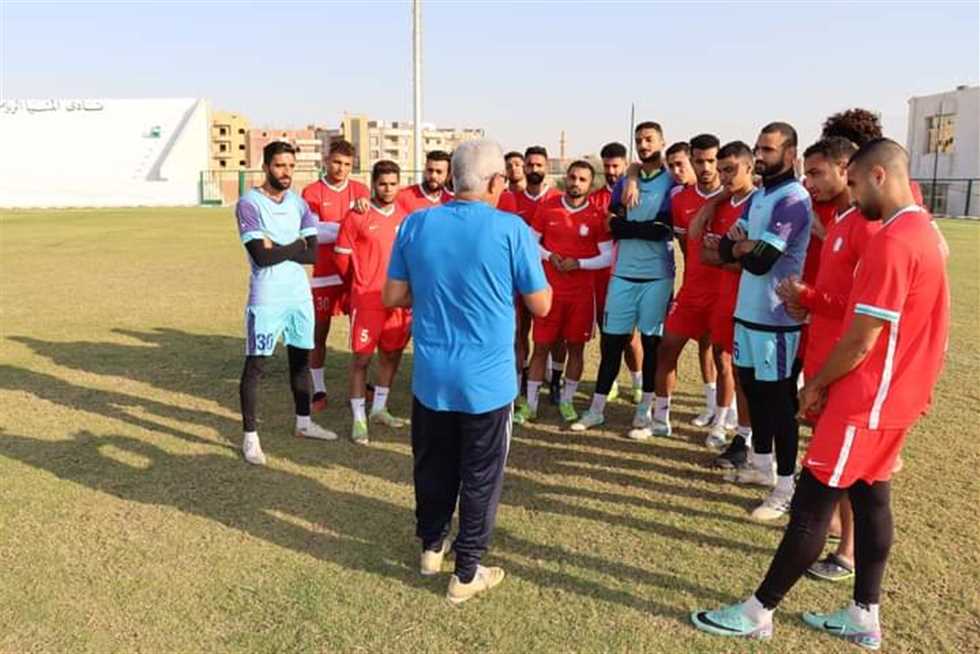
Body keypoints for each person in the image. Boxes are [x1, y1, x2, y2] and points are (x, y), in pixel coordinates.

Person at [692, 138, 950, 651]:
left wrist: (816, 385)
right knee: (873, 500)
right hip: (891, 401)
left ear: (878, 176)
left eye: (852, 183)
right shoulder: (920, 230)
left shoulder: (895, 241)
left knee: (811, 506)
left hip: (866, 401)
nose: (847, 196)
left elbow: (861, 339)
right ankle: (863, 616)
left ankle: (757, 611)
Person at [383, 139, 551, 604]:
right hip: (488, 381)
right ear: (496, 181)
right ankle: (468, 570)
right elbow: (540, 303)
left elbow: (393, 297)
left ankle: (431, 547)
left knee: (433, 465)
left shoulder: (416, 223)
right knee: (481, 475)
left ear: (453, 178)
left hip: (432, 375)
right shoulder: (510, 229)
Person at [775, 136, 879, 583]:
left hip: (847, 361)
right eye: (807, 173)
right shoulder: (834, 218)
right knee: (824, 449)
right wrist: (807, 302)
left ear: (845, 169)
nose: (808, 181)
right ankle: (835, 529)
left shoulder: (869, 225)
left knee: (852, 467)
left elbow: (863, 307)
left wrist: (810, 297)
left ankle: (848, 551)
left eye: (817, 173)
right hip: (820, 346)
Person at [718, 122, 812, 521]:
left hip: (776, 319)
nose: (759, 156)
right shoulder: (760, 196)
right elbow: (727, 250)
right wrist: (741, 246)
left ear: (790, 155)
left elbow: (759, 260)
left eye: (768, 150)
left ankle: (786, 486)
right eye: (758, 148)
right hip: (747, 314)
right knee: (752, 391)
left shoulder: (793, 199)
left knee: (778, 403)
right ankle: (760, 466)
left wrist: (741, 246)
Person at [571, 121, 677, 434]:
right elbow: (611, 224)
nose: (643, 145)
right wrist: (637, 225)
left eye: (649, 140)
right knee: (611, 343)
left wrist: (629, 227)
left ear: (661, 141)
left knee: (651, 345)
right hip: (622, 275)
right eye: (639, 140)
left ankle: (644, 411)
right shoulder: (625, 182)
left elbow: (663, 230)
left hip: (657, 277)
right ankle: (596, 410)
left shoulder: (671, 182)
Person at [236, 142, 338, 465]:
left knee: (300, 362)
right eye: (280, 166)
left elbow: (312, 254)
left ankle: (304, 423)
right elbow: (261, 257)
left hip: (299, 297)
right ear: (266, 166)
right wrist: (296, 243)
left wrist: (283, 243)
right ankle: (250, 437)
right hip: (267, 299)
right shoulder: (248, 204)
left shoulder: (298, 203)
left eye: (291, 166)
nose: (286, 173)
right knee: (257, 366)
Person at [517, 160, 612, 425]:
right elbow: (530, 243)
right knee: (541, 348)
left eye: (582, 179)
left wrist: (579, 263)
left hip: (581, 296)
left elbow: (607, 256)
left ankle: (567, 401)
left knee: (576, 349)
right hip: (549, 293)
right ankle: (531, 405)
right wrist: (550, 256)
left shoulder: (596, 214)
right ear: (565, 179)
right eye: (572, 177)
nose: (575, 183)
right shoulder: (548, 207)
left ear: (590, 184)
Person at [650, 134, 729, 441]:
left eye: (712, 160)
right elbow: (686, 246)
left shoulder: (738, 197)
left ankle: (720, 422)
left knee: (722, 359)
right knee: (667, 349)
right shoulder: (680, 199)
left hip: (725, 294)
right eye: (700, 161)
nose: (706, 167)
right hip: (692, 291)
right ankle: (659, 418)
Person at [334, 161, 411, 444]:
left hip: (398, 300)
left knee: (391, 354)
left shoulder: (406, 218)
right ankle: (358, 419)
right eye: (382, 184)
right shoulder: (357, 215)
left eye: (393, 183)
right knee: (361, 359)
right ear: (373, 184)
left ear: (399, 184)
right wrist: (357, 285)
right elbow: (342, 259)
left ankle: (379, 408)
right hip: (367, 300)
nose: (388, 189)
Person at [693, 141, 757, 466]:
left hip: (754, 300)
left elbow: (758, 261)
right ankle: (731, 426)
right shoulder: (722, 203)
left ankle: (745, 437)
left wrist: (724, 255)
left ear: (750, 167)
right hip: (725, 293)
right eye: (721, 170)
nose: (724, 176)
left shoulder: (760, 203)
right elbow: (702, 250)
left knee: (748, 372)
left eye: (730, 169)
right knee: (723, 358)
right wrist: (713, 202)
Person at [301, 140, 370, 412]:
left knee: (361, 331)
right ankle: (318, 387)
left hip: (356, 273)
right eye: (337, 162)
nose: (341, 169)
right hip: (325, 273)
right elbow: (313, 231)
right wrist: (348, 223)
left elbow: (367, 226)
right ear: (327, 160)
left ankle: (362, 381)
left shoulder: (361, 190)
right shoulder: (312, 192)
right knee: (319, 332)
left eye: (347, 164)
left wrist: (342, 226)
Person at [590, 142, 644, 405]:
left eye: (616, 166)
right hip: (603, 279)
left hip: (631, 274)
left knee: (631, 337)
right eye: (607, 166)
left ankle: (637, 381)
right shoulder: (595, 198)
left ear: (625, 165)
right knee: (608, 333)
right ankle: (609, 382)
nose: (611, 171)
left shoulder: (638, 192)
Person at [508, 146, 561, 403]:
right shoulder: (510, 199)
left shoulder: (557, 199)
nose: (534, 170)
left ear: (546, 167)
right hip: (515, 279)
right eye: (529, 165)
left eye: (539, 165)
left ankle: (555, 379)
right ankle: (519, 381)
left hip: (550, 276)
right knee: (519, 330)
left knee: (553, 333)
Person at [396, 150, 454, 214]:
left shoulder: (452, 201)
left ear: (448, 175)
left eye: (439, 172)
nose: (433, 176)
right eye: (430, 170)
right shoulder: (403, 196)